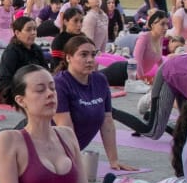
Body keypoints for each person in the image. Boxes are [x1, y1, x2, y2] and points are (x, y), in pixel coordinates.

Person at [53, 35, 141, 173]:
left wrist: (113, 160)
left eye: (93, 55)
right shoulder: (60, 84)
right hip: (46, 151)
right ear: (68, 57)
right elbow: (65, 128)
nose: (90, 60)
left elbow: (107, 121)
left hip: (68, 153)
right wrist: (75, 163)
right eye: (83, 55)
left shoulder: (100, 80)